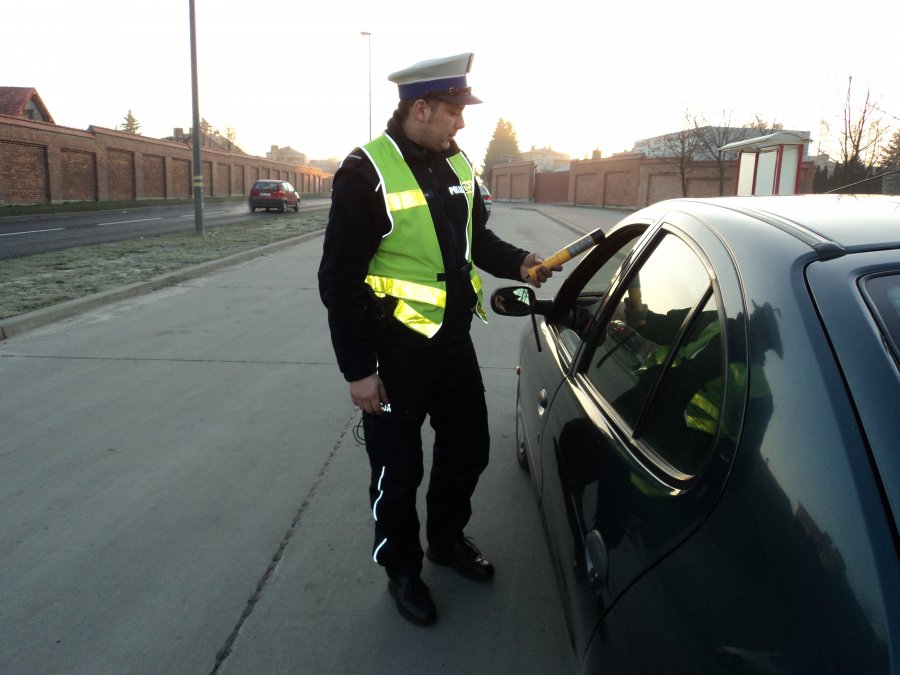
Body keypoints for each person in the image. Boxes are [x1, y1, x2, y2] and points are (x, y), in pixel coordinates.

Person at [318, 52, 555, 626]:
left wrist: (519, 261)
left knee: (469, 449)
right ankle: (402, 571)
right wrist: (358, 371)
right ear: (420, 109)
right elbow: (339, 280)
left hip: (452, 345)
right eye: (453, 110)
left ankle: (445, 541)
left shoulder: (457, 164)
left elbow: (476, 240)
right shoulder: (365, 173)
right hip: (394, 353)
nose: (461, 122)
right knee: (397, 471)